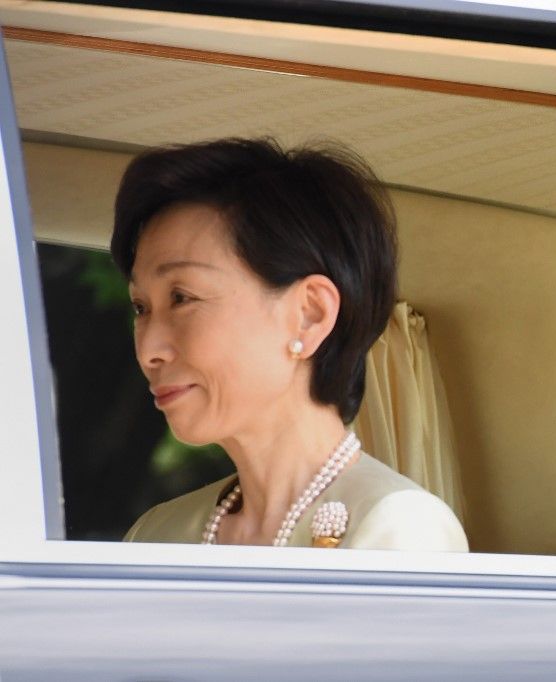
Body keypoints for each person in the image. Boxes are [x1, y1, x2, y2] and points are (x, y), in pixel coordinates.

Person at [114, 138, 468, 552]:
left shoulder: (399, 529)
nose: (149, 349)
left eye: (182, 298)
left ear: (310, 314)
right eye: (141, 307)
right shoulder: (156, 534)